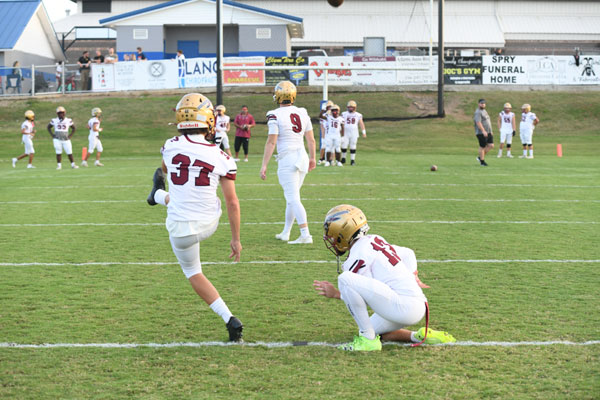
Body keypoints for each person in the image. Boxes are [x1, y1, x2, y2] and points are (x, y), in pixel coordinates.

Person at [146, 93, 243, 342]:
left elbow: (164, 169)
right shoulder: (222, 157)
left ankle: (158, 195)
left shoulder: (170, 145)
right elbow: (232, 202)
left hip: (179, 229)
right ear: (209, 121)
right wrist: (235, 239)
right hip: (208, 222)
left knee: (193, 272)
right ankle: (159, 195)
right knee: (210, 199)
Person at [314, 204, 456, 351]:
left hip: (403, 307)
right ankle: (419, 336)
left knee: (345, 279)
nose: (331, 240)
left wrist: (335, 294)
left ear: (343, 234)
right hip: (417, 305)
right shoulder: (374, 239)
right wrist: (412, 276)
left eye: (332, 236)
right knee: (371, 329)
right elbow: (408, 253)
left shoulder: (356, 256)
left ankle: (367, 341)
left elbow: (360, 296)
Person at [260, 81, 317, 245]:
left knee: (293, 198)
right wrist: (312, 158)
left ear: (277, 96)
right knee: (292, 198)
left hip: (288, 159)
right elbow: (311, 140)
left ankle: (305, 234)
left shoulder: (274, 114)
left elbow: (271, 142)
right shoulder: (302, 112)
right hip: (302, 156)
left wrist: (264, 165)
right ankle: (286, 232)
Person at [340, 100, 367, 165]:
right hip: (345, 132)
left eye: (352, 107)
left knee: (353, 145)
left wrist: (364, 132)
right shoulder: (344, 114)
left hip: (354, 132)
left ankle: (352, 160)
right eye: (349, 107)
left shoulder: (358, 115)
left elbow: (361, 123)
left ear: (355, 107)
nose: (350, 108)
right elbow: (340, 122)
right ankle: (343, 158)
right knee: (344, 145)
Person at [473, 98, 493, 166]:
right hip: (481, 133)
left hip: (488, 131)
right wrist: (483, 131)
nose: (483, 104)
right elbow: (478, 122)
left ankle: (480, 157)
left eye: (484, 103)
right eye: (481, 103)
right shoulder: (478, 112)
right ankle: (482, 162)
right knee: (482, 146)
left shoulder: (484, 111)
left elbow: (488, 121)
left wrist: (490, 131)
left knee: (491, 145)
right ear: (479, 104)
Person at [317, 100, 333, 165]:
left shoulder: (334, 115)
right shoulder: (324, 115)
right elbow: (322, 126)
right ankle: (321, 158)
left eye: (330, 107)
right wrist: (323, 134)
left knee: (332, 147)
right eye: (328, 107)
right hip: (326, 133)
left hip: (332, 133)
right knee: (323, 145)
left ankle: (330, 159)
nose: (329, 108)